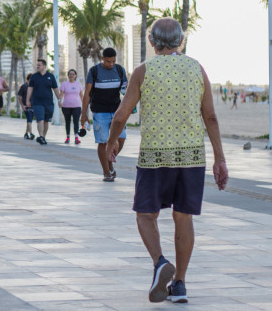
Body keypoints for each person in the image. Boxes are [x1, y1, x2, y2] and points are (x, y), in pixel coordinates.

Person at [105, 18, 228, 304]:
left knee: (146, 214)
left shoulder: (143, 71)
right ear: (180, 41)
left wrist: (112, 144)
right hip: (192, 156)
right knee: (183, 217)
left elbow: (121, 115)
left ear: (152, 41)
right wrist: (220, 158)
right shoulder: (196, 68)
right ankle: (180, 284)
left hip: (154, 157)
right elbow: (210, 116)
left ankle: (160, 262)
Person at [81, 48, 128, 181]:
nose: (111, 64)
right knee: (103, 142)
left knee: (121, 139)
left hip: (117, 110)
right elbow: (87, 94)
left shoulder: (119, 70)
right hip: (99, 111)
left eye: (113, 61)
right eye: (108, 61)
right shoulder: (94, 71)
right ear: (102, 58)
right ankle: (106, 171)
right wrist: (83, 114)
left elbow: (125, 90)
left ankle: (110, 160)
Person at [26, 59, 63, 145]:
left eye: (39, 65)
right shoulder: (34, 77)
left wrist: (59, 100)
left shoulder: (51, 76)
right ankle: (41, 136)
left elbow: (55, 89)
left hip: (49, 103)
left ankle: (43, 137)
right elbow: (30, 88)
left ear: (44, 66)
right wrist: (27, 100)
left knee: (46, 121)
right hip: (37, 102)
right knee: (40, 120)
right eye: (37, 65)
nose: (37, 66)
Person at [60, 69, 84, 145]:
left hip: (77, 106)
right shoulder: (64, 84)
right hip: (66, 106)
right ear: (68, 75)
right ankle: (68, 137)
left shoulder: (78, 84)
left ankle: (76, 138)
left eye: (73, 74)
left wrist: (84, 105)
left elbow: (81, 95)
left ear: (75, 75)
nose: (71, 75)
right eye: (70, 74)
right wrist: (59, 101)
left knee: (76, 121)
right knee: (67, 121)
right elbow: (61, 94)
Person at [17, 74, 35, 140]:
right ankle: (31, 133)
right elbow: (19, 97)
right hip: (26, 106)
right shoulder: (24, 86)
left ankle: (26, 134)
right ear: (28, 79)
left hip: (33, 106)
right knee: (29, 119)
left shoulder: (34, 87)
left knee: (29, 120)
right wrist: (22, 105)